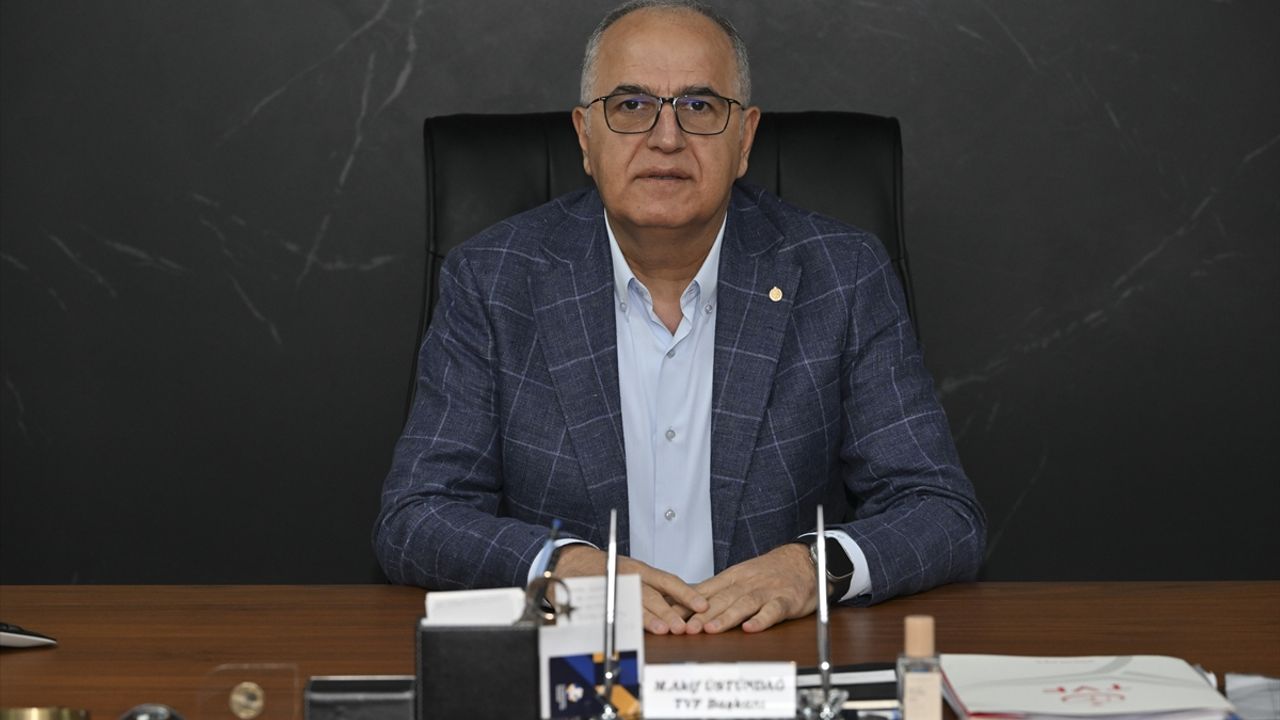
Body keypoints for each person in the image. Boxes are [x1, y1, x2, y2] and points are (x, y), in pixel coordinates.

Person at [375, 0, 985, 635]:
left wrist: (811, 568)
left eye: (699, 105)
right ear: (585, 136)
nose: (666, 138)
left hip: (771, 656)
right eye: (631, 104)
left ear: (744, 139)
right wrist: (563, 566)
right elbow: (417, 515)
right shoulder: (493, 280)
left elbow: (941, 511)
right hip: (581, 660)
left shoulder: (843, 274)